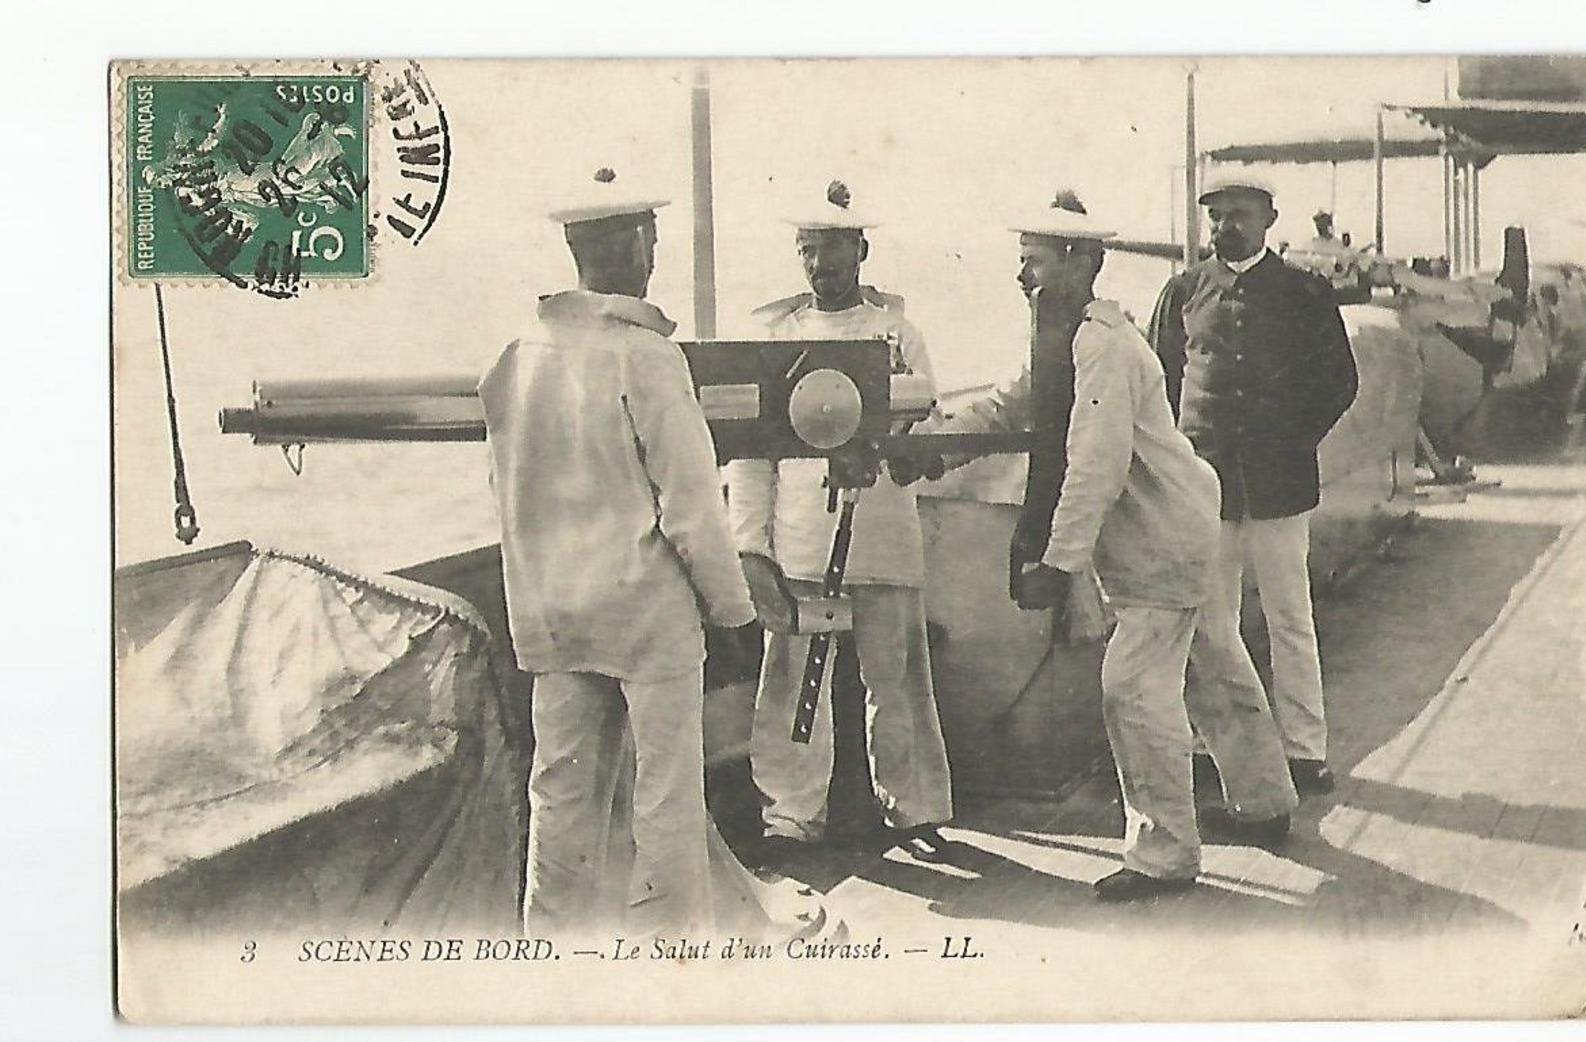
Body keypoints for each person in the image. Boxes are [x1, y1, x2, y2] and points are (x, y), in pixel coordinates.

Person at [920, 191, 1299, 899]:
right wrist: (931, 449)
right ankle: (1265, 801)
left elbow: (1094, 463)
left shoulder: (1101, 346)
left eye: (1031, 262)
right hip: (1179, 522)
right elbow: (1011, 404)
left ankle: (1164, 855)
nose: (1021, 277)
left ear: (1080, 262)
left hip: (1162, 538)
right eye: (1019, 262)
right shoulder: (1070, 338)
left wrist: (1059, 566)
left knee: (1132, 689)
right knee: (1212, 668)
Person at [478, 167, 760, 937]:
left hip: (554, 613)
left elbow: (506, 492)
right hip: (644, 611)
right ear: (635, 243)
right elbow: (692, 509)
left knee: (559, 794)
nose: (653, 253)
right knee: (667, 794)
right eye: (651, 238)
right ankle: (674, 956)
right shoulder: (645, 355)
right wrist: (733, 614)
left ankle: (551, 950)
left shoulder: (515, 353)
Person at [725, 180, 954, 865]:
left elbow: (930, 426)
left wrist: (912, 448)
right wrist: (750, 547)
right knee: (794, 680)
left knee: (898, 676)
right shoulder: (774, 336)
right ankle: (791, 813)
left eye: (830, 251)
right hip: (800, 536)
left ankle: (913, 811)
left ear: (860, 251)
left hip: (881, 529)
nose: (819, 266)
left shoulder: (898, 333)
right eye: (807, 251)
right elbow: (750, 454)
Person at [1148, 176, 1359, 795]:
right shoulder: (1184, 290)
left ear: (1270, 217)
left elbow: (1338, 381)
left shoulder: (1304, 291)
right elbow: (1160, 380)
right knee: (1209, 621)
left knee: (1291, 617)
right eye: (1215, 216)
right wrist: (1177, 460)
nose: (1225, 226)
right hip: (1203, 485)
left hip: (1279, 484)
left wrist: (1293, 441)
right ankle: (1209, 747)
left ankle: (1303, 748)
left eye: (1239, 214)